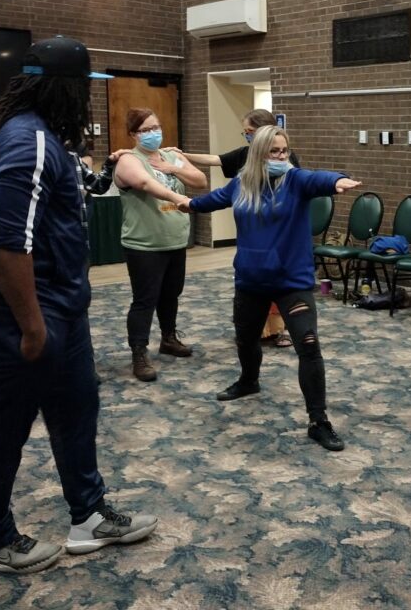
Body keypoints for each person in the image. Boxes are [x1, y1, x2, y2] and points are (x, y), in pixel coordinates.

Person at [0, 36, 157, 573]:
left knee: (77, 410)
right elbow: (7, 244)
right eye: (82, 88)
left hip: (58, 310)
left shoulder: (43, 138)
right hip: (24, 314)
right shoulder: (29, 144)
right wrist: (31, 327)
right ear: (61, 87)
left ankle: (88, 516)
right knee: (9, 424)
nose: (86, 101)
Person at [183, 125, 360, 452]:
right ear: (258, 154)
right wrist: (188, 205)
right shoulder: (241, 184)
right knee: (246, 338)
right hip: (251, 279)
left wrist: (337, 179)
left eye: (284, 151)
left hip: (292, 281)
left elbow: (319, 178)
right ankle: (249, 381)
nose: (282, 157)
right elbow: (213, 200)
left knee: (308, 345)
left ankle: (318, 420)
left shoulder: (296, 181)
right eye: (274, 152)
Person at [172, 108, 299, 348]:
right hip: (253, 233)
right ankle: (259, 330)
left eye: (250, 132)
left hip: (279, 234)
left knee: (280, 281)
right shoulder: (245, 156)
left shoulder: (285, 162)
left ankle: (283, 329)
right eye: (246, 133)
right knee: (252, 284)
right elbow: (216, 161)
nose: (247, 136)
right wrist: (181, 155)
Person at [113, 108, 205, 382]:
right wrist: (178, 198)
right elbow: (143, 183)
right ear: (133, 134)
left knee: (171, 294)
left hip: (175, 240)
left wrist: (174, 167)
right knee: (145, 300)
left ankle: (168, 338)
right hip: (144, 244)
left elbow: (200, 180)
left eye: (156, 127)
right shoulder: (128, 159)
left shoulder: (171, 156)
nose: (153, 133)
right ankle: (139, 353)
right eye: (145, 130)